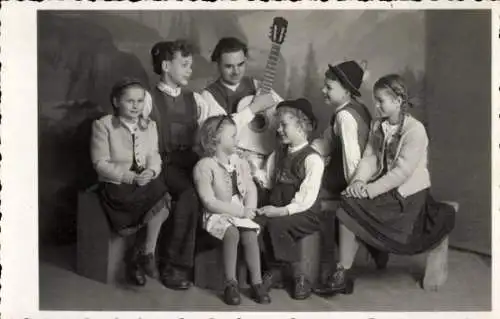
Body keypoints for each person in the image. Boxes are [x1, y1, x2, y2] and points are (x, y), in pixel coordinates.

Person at [149, 39, 275, 290]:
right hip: (168, 161)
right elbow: (215, 131)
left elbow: (218, 129)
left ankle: (259, 265)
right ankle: (175, 264)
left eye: (241, 64)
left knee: (241, 189)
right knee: (191, 194)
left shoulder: (195, 99)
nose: (190, 70)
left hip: (201, 158)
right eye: (184, 65)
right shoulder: (157, 99)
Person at [317, 74, 455, 295]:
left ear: (398, 101)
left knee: (352, 206)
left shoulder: (414, 130)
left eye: (381, 101)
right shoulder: (378, 126)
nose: (377, 106)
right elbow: (370, 157)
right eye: (376, 100)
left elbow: (402, 172)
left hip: (406, 196)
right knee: (347, 201)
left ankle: (365, 254)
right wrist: (359, 181)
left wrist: (369, 190)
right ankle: (343, 272)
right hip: (383, 188)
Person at [90, 78, 170, 286]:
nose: (136, 106)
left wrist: (151, 172)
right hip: (117, 183)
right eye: (130, 101)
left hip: (143, 183)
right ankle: (139, 257)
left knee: (161, 192)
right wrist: (130, 177)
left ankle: (146, 254)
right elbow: (100, 163)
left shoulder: (149, 125)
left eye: (140, 101)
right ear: (117, 102)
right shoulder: (103, 125)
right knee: (160, 199)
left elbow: (154, 154)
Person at [311, 61, 386, 279]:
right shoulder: (354, 107)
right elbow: (328, 141)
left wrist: (353, 188)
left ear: (346, 91)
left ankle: (322, 261)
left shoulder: (345, 117)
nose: (323, 90)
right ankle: (372, 248)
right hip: (358, 174)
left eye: (329, 87)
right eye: (324, 86)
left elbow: (352, 158)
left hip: (352, 178)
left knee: (310, 195)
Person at [253, 98, 333, 300]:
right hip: (279, 209)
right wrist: (252, 172)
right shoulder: (278, 154)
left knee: (276, 225)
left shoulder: (312, 159)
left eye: (284, 125)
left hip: (305, 214)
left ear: (302, 126)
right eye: (279, 124)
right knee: (255, 225)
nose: (279, 129)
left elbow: (305, 199)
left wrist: (279, 211)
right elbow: (269, 180)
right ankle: (276, 270)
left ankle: (299, 276)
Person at [193, 115, 271, 306]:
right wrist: (239, 212)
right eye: (233, 136)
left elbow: (251, 188)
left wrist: (249, 208)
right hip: (217, 213)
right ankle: (230, 283)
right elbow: (209, 201)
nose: (238, 141)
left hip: (241, 211)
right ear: (215, 139)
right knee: (232, 232)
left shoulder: (240, 162)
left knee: (250, 234)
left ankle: (257, 282)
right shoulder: (205, 166)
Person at [202, 37, 282, 196]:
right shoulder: (209, 95)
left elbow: (286, 113)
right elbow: (217, 132)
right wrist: (253, 109)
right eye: (228, 66)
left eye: (240, 64)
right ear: (217, 64)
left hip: (266, 155)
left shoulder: (257, 85)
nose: (236, 71)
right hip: (235, 157)